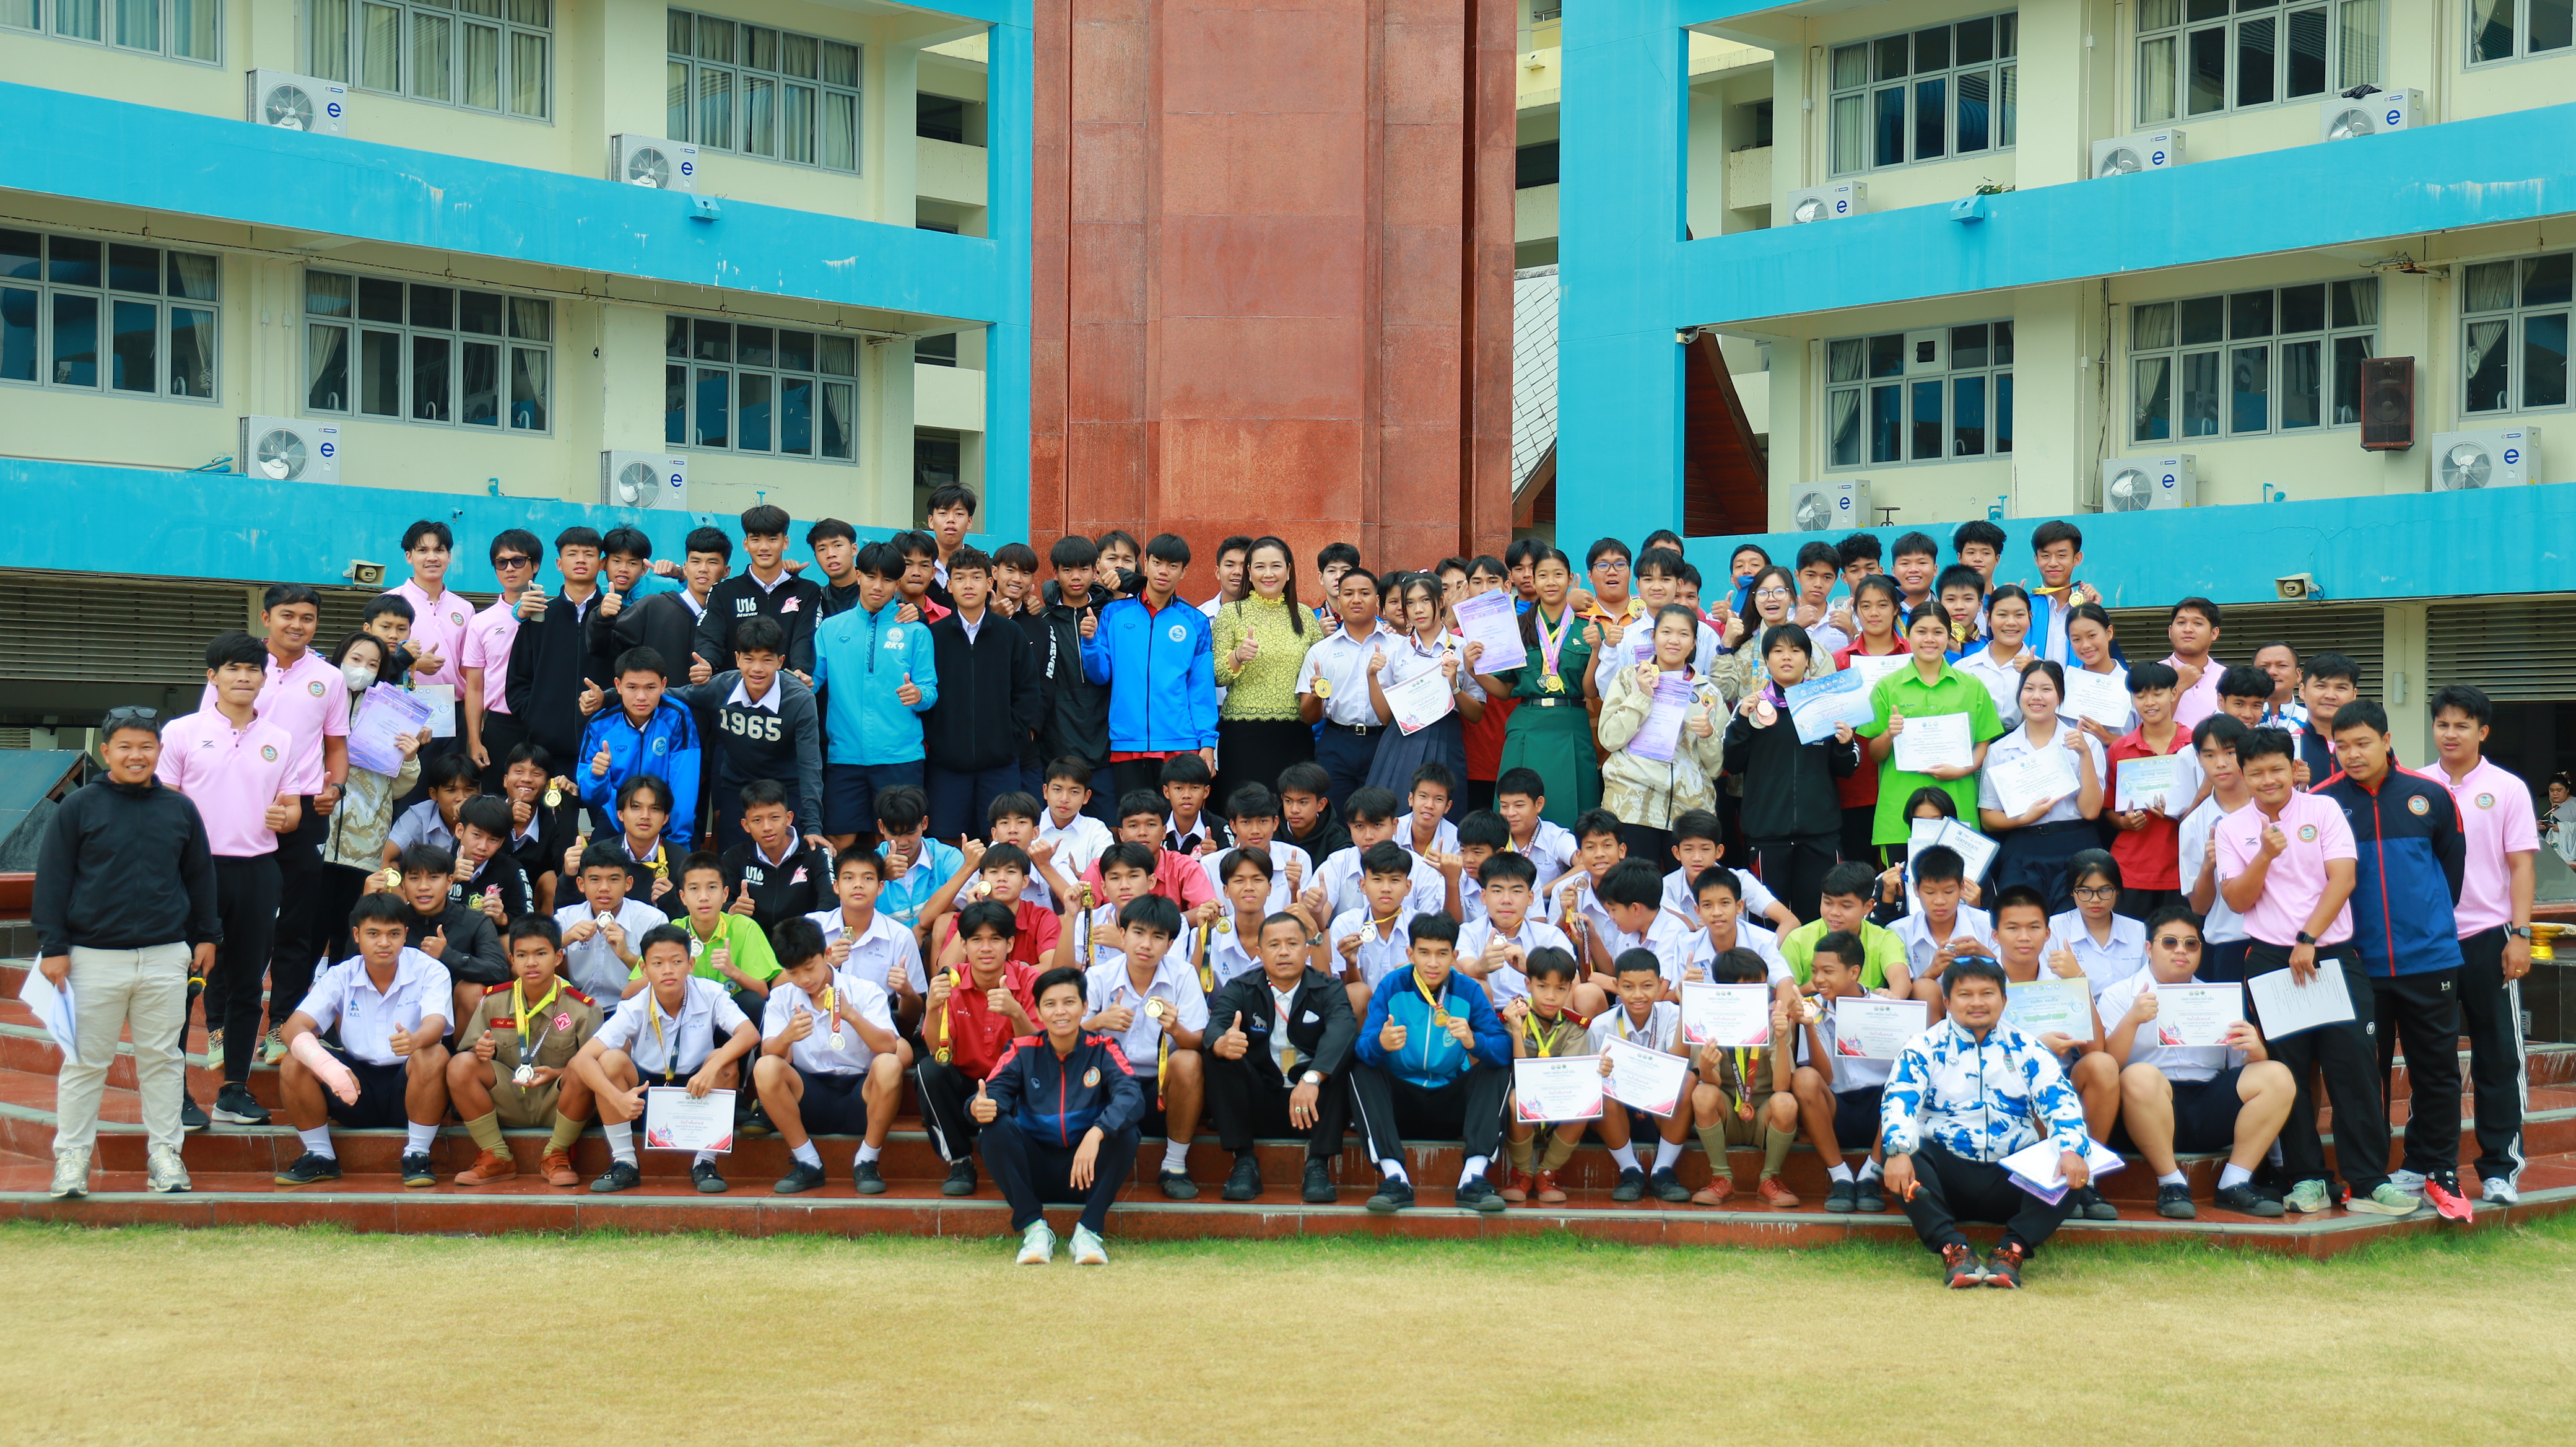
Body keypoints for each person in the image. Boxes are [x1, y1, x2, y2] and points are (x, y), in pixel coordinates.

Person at [2215, 727, 2409, 1215]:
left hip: (2330, 954)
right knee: (2290, 1073)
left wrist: (2309, 939)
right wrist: (2265, 854)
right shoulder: (2232, 827)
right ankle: (2306, 1179)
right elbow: (2237, 899)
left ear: (2293, 768)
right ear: (2243, 775)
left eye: (2276, 769)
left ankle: (2368, 1181)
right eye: (2256, 773)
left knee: (2355, 1067)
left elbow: (2343, 878)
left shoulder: (2322, 810)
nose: (2268, 780)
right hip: (2270, 961)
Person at [35, 707, 217, 1197]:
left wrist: (207, 936)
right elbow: (53, 880)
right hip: (91, 957)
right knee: (84, 1063)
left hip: (165, 955)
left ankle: (166, 1156)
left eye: (146, 747)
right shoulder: (79, 807)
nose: (137, 756)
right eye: (125, 747)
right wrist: (54, 946)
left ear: (160, 751)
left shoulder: (180, 809)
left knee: (164, 1061)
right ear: (106, 752)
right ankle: (72, 1160)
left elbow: (200, 876)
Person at [2316, 699, 2471, 1218]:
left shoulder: (2432, 795)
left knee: (2436, 1070)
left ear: (2386, 740)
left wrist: (2424, 921)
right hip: (2356, 963)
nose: (2353, 754)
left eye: (2363, 743)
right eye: (2342, 746)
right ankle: (2369, 1176)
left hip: (2429, 959)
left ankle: (2437, 1167)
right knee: (2363, 1077)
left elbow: (2451, 872)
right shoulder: (2322, 803)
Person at [1881, 955, 2090, 1288]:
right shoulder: (1923, 1046)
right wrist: (1898, 1150)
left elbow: (2059, 1101)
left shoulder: (2029, 1048)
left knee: (2073, 1159)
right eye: (1965, 995)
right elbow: (1899, 1100)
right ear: (1947, 1002)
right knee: (1898, 1152)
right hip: (1944, 1183)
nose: (1977, 1003)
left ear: (2004, 1000)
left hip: (2010, 1179)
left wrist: (2071, 1149)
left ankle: (2012, 1251)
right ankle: (1953, 1248)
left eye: (1987, 993)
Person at [159, 632, 298, 1126]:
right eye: (233, 669)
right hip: (195, 873)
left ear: (265, 677)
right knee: (182, 985)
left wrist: (287, 817)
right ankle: (173, 1095)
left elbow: (292, 807)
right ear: (212, 676)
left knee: (246, 986)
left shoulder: (280, 739)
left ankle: (234, 1090)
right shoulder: (181, 732)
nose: (244, 677)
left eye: (253, 669)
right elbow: (164, 804)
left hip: (258, 871)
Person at [2102, 906, 2292, 1220]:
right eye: (2170, 942)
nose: (2181, 950)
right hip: (2149, 1107)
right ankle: (2171, 1184)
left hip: (2208, 1101)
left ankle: (2235, 1183)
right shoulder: (2120, 995)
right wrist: (2132, 1020)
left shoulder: (2218, 997)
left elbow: (2241, 1067)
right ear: (2149, 948)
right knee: (2139, 1075)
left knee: (2277, 1075)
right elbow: (2108, 1065)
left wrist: (2256, 1049)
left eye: (2191, 944)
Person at [2427, 684, 2540, 1205]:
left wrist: (2521, 934)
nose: (2451, 734)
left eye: (2462, 725)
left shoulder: (2507, 788)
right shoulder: (2417, 785)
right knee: (2433, 1060)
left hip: (2490, 937)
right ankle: (2428, 1164)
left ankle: (2500, 1168)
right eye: (2443, 724)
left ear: (2483, 731)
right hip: (2431, 940)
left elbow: (2521, 866)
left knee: (2498, 1057)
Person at [273, 893, 453, 1188]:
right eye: (373, 934)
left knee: (434, 1053)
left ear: (405, 934)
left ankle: (417, 1154)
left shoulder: (431, 969)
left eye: (394, 934)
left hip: (409, 1087)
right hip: (352, 1086)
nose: (384, 943)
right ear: (357, 935)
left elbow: (436, 1023)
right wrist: (328, 1066)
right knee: (296, 1060)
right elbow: (292, 1028)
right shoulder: (341, 974)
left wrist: (416, 1039)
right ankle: (320, 1156)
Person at [972, 964, 1145, 1267]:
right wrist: (978, 1107)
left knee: (1126, 1131)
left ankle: (1088, 1231)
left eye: (1069, 1002)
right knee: (994, 1126)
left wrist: (1097, 1132)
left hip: (1086, 1171)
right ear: (1038, 1012)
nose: (1060, 1012)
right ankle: (1034, 1229)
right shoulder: (1022, 1049)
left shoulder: (1104, 1048)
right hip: (1036, 1171)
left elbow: (1132, 1096)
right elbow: (993, 1093)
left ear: (1085, 1007)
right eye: (1050, 1004)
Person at [572, 922, 759, 1194]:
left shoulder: (710, 993)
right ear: (644, 969)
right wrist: (617, 1098)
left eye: (677, 961)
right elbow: (582, 1060)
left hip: (697, 1090)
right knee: (610, 1060)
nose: (668, 970)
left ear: (691, 964)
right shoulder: (635, 1006)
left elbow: (749, 1033)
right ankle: (624, 1161)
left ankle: (705, 1162)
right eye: (658, 963)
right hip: (645, 1094)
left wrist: (712, 1067)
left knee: (725, 1061)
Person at [1351, 912, 1512, 1213]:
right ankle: (1395, 1178)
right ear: (1410, 954)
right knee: (1359, 1066)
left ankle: (1473, 1177)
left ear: (1455, 957)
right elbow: (1363, 1047)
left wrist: (1475, 1042)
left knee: (1498, 1067)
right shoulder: (1392, 986)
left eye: (1442, 954)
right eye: (1424, 953)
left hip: (1450, 1104)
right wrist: (1380, 1043)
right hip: (1399, 1106)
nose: (1433, 963)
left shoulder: (1468, 990)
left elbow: (1503, 1047)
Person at [314, 631, 427, 1025]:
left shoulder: (390, 711)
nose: (363, 670)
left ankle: (341, 1026)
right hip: (317, 840)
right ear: (339, 659)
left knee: (348, 937)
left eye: (373, 664)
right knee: (307, 934)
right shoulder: (317, 703)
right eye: (356, 659)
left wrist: (409, 757)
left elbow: (399, 786)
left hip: (364, 847)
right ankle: (288, 1022)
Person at [1205, 907, 1355, 1203]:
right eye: (1274, 945)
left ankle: (1318, 1164)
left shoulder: (1329, 988)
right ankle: (1244, 1161)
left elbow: (1344, 1030)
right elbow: (1215, 1027)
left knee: (1346, 1056)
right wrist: (1222, 1043)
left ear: (1308, 949)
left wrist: (1313, 1078)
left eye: (1292, 943)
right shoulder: (1241, 987)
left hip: (1313, 1102)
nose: (1284, 952)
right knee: (1218, 1057)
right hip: (1261, 1096)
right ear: (1260, 953)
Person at [446, 917, 601, 1188]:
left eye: (541, 954)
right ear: (511, 960)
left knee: (583, 1069)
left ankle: (557, 1153)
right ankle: (496, 1154)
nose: (531, 963)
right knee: (460, 1064)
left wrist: (558, 1072)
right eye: (522, 955)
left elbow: (599, 1069)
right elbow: (471, 1051)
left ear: (558, 957)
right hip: (509, 1099)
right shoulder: (492, 1001)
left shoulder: (584, 1009)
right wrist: (479, 1050)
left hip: (560, 1102)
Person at [754, 917, 904, 1195]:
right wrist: (787, 1036)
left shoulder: (865, 991)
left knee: (889, 1064)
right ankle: (808, 1162)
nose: (804, 980)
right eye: (793, 972)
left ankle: (867, 1161)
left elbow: (889, 1046)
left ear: (826, 954)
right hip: (810, 1095)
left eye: (809, 967)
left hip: (861, 1095)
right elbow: (768, 1052)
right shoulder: (782, 997)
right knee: (765, 1067)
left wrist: (850, 1014)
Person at [1721, 622, 1858, 922]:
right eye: (1778, 651)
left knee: (1821, 920)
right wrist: (1742, 722)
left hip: (1820, 834)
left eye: (1796, 651)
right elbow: (1732, 763)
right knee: (1768, 924)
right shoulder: (1753, 707)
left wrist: (1845, 743)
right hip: (1766, 834)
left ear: (1808, 661)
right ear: (1767, 660)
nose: (1787, 657)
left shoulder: (1826, 707)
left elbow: (1847, 769)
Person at [812, 539, 941, 852]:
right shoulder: (831, 628)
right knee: (839, 840)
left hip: (901, 757)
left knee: (900, 841)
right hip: (844, 756)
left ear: (897, 584)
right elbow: (812, 682)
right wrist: (796, 681)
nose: (878, 586)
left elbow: (930, 690)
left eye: (887, 579)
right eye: (871, 577)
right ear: (858, 576)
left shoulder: (916, 631)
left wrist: (919, 695)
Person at [1079, 893, 1208, 1199]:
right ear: (1122, 935)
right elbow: (1064, 1039)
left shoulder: (1183, 975)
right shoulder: (1098, 976)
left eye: (1158, 937)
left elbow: (1199, 1041)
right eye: (1138, 933)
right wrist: (1098, 1022)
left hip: (1161, 1088)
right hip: (1109, 1085)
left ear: (1170, 944)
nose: (1146, 944)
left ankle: (1174, 1166)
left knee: (1188, 1061)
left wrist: (1176, 1029)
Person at [1079, 532, 1219, 802]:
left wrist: (1208, 743)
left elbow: (1200, 689)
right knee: (1134, 822)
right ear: (1146, 564)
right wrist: (1089, 643)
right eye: (1157, 563)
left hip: (1181, 743)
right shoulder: (1114, 613)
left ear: (1184, 572)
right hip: (1127, 742)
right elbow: (1101, 675)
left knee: (1175, 822)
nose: (1163, 571)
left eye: (1173, 566)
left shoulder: (1195, 621)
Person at [918, 545, 1043, 842]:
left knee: (1003, 842)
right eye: (959, 578)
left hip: (1000, 763)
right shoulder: (934, 636)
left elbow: (1028, 691)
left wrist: (1013, 737)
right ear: (949, 585)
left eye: (976, 577)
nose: (968, 585)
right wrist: (938, 738)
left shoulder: (1010, 634)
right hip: (947, 764)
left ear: (989, 583)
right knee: (947, 841)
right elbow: (926, 692)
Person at [915, 900, 1042, 1196]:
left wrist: (1016, 1013)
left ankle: (1023, 1156)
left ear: (1010, 944)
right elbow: (937, 1051)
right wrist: (932, 1007)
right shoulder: (950, 981)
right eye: (976, 940)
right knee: (929, 1070)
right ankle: (960, 1161)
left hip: (1012, 1083)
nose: (986, 948)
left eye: (995, 939)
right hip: (965, 1081)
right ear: (963, 944)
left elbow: (1041, 1052)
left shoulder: (1030, 981)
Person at [669, 616, 824, 857]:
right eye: (749, 659)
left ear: (781, 661)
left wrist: (813, 826)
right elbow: (666, 695)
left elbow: (810, 765)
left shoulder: (800, 699)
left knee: (791, 860)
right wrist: (611, 697)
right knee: (733, 858)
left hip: (786, 788)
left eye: (767, 660)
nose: (757, 669)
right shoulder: (722, 686)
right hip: (738, 787)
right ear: (738, 659)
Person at [1857, 601, 2004, 850]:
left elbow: (1983, 744)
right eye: (1921, 631)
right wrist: (1889, 734)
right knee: (1901, 877)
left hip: (1958, 811)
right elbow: (1874, 754)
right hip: (1900, 814)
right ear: (1908, 635)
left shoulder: (1972, 686)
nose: (1929, 639)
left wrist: (1961, 770)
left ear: (1949, 636)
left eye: (1938, 632)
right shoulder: (1887, 687)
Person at [1474, 547, 1599, 827]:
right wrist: (1474, 671)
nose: (1551, 582)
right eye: (1543, 575)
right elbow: (1505, 690)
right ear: (1533, 580)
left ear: (1571, 579)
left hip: (1571, 725)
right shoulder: (1517, 628)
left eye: (1558, 575)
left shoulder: (1589, 629)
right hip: (1527, 726)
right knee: (1516, 811)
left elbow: (1591, 691)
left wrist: (1596, 650)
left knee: (1575, 810)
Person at [1599, 604, 1725, 870]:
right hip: (1632, 804)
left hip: (1688, 811)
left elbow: (1715, 769)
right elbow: (1609, 739)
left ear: (1694, 642)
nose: (1674, 640)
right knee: (1635, 887)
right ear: (1654, 636)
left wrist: (1707, 737)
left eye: (1683, 634)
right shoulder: (1628, 678)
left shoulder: (1708, 692)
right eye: (1666, 632)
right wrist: (1641, 696)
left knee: (1687, 890)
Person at [1975, 659, 2105, 916]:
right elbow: (1989, 818)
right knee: (2021, 921)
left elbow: (2091, 811)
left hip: (2076, 844)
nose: (2037, 697)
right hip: (2023, 846)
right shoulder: (2000, 750)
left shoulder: (2086, 743)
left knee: (2074, 924)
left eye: (2046, 689)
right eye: (2029, 688)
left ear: (2060, 697)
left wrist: (2084, 754)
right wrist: (2026, 817)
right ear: (2019, 694)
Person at [1678, 947, 1804, 1206]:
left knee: (1786, 1102)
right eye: (1747, 987)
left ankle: (1770, 1179)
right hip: (1727, 1113)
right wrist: (1705, 1067)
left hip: (1763, 1114)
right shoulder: (1707, 1019)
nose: (1757, 993)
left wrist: (1782, 1039)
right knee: (1702, 1093)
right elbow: (1710, 1082)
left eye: (1761, 986)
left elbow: (1782, 1086)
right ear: (1725, 990)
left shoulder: (1773, 1021)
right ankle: (1721, 1178)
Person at [1497, 948, 1620, 1204]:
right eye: (1542, 986)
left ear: (1570, 990)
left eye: (1561, 989)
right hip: (1523, 1111)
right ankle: (1522, 1173)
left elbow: (1574, 1077)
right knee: (1517, 1098)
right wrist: (1518, 1033)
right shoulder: (1513, 1020)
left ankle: (1548, 1172)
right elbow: (1521, 1077)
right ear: (1528, 984)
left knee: (1587, 1099)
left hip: (1559, 1106)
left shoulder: (1575, 1027)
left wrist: (1598, 1068)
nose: (1551, 996)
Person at [1211, 535, 1320, 814]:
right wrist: (1237, 656)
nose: (1268, 574)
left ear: (1289, 570)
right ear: (1249, 572)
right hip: (1243, 736)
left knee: (1291, 816)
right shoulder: (1231, 613)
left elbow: (1323, 667)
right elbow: (1217, 675)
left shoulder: (1305, 616)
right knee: (1245, 814)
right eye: (1260, 567)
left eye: (1276, 566)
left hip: (1294, 735)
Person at [1788, 929, 1894, 1212]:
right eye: (1814, 971)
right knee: (1804, 1078)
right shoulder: (1812, 1010)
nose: (1819, 979)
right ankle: (1841, 1177)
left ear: (1854, 972)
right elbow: (1824, 1078)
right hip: (1837, 1108)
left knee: (1906, 1078)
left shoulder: (1887, 1010)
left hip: (1882, 1111)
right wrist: (1809, 1027)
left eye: (1828, 971)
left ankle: (1871, 1175)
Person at [1363, 572, 1486, 807]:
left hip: (1446, 738)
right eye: (1410, 603)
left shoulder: (1463, 648)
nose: (1418, 610)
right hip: (1401, 740)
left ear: (1441, 601)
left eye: (1425, 600)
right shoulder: (1396, 651)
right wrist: (1372, 677)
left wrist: (1454, 686)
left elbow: (1476, 714)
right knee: (1396, 810)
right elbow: (1385, 717)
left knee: (1440, 811)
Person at [507, 527, 610, 780]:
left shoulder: (618, 616)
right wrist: (536, 716)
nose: (581, 560)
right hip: (547, 751)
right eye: (572, 554)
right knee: (554, 807)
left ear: (602, 564)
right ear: (559, 563)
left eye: (589, 554)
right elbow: (518, 680)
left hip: (606, 747)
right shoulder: (539, 617)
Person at [577, 646, 703, 849]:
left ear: (663, 685)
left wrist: (678, 844)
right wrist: (597, 776)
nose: (641, 697)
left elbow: (684, 786)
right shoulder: (600, 724)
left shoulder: (676, 717)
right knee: (596, 864)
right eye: (632, 687)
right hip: (616, 820)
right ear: (618, 686)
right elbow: (591, 797)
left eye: (650, 687)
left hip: (664, 823)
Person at [2104, 660, 2203, 920]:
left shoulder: (2196, 745)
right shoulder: (2120, 750)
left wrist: (2180, 814)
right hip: (2133, 869)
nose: (2149, 702)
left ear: (2174, 693)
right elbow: (2108, 811)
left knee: (2179, 940)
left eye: (2158, 694)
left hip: (2184, 868)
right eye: (2140, 696)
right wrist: (2124, 822)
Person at [1296, 566, 1396, 811]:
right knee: (1335, 818)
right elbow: (1309, 718)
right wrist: (1316, 696)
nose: (1356, 600)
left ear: (1377, 601)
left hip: (1385, 742)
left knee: (1381, 816)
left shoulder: (1398, 646)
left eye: (1365, 593)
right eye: (1349, 594)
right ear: (1338, 601)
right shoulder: (1321, 651)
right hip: (1337, 743)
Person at [806, 847, 929, 1033]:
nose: (858, 885)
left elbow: (912, 1018)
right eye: (849, 878)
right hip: (814, 1026)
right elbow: (782, 984)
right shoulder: (813, 926)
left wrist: (907, 991)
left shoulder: (900, 936)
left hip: (872, 1030)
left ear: (880, 887)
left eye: (868, 878)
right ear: (836, 886)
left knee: (901, 1049)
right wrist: (823, 965)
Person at [695, 504, 825, 678]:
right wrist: (707, 664)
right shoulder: (723, 592)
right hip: (735, 692)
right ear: (746, 544)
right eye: (756, 539)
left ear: (785, 542)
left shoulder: (808, 591)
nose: (764, 547)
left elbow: (805, 638)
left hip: (787, 689)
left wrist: (800, 671)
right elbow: (711, 637)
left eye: (772, 539)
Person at [599, 526, 729, 700]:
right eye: (696, 561)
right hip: (655, 710)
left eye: (712, 562)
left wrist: (679, 575)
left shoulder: (732, 613)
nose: (703, 569)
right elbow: (606, 648)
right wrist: (599, 617)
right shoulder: (652, 606)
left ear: (726, 571)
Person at [463, 528, 543, 790]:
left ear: (535, 565)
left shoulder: (554, 616)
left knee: (547, 803)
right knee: (495, 802)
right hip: (500, 725)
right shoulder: (481, 622)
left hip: (544, 724)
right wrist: (475, 741)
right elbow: (475, 687)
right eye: (501, 562)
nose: (509, 568)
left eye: (518, 560)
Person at [2180, 715, 2258, 982]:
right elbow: (2199, 908)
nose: (2220, 763)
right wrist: (2208, 866)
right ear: (2199, 759)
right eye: (2209, 755)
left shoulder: (2273, 808)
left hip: (2283, 940)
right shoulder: (2193, 825)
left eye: (2230, 752)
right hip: (2228, 943)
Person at [666, 850, 782, 1021]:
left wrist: (732, 971)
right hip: (686, 1015)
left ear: (725, 894)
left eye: (712, 887)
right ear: (683, 897)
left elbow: (762, 993)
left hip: (732, 1018)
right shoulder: (673, 933)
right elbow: (636, 988)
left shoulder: (744, 927)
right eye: (694, 889)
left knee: (751, 1001)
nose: (704, 897)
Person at [555, 841, 668, 1005]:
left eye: (614, 879)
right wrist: (564, 940)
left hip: (634, 1007)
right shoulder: (565, 918)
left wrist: (626, 955)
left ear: (628, 884)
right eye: (595, 879)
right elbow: (536, 966)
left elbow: (665, 974)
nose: (604, 888)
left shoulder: (653, 920)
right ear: (581, 884)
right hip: (578, 1008)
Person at [718, 780, 832, 936]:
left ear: (789, 818)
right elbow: (715, 901)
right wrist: (730, 909)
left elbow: (831, 901)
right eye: (757, 820)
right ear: (746, 825)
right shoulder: (734, 857)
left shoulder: (815, 853)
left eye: (775, 817)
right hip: (752, 945)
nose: (767, 827)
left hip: (804, 943)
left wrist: (807, 936)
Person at [1778, 861, 1909, 994]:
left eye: (1846, 906)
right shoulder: (1798, 940)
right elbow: (1782, 994)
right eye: (1828, 903)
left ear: (1868, 907)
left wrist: (1893, 997)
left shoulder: (1884, 939)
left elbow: (1900, 978)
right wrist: (1812, 988)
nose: (1834, 912)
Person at [1891, 846, 1993, 1003]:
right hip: (1929, 1014)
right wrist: (1932, 972)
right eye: (1930, 892)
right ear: (1916, 889)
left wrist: (1985, 955)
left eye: (1948, 892)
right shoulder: (1899, 932)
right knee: (1925, 988)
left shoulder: (1988, 924)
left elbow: (2012, 982)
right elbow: (1903, 997)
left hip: (1980, 1007)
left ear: (1962, 888)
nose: (1939, 901)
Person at [2048, 850, 2147, 1000]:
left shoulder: (2140, 931)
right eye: (2085, 891)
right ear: (2072, 891)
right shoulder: (2052, 930)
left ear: (2118, 889)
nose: (2095, 899)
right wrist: (2077, 979)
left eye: (2104, 890)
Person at [1953, 585, 2034, 729]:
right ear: (1988, 618)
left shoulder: (2041, 670)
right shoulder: (1963, 668)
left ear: (2030, 618)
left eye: (2019, 615)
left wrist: (2034, 677)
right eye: (2002, 615)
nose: (2011, 622)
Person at [2024, 519, 2101, 667]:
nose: (2053, 563)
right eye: (2046, 556)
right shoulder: (2024, 608)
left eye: (2061, 555)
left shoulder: (2087, 607)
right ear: (2036, 560)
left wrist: (2095, 613)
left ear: (2077, 559)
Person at [1278, 759, 1352, 864]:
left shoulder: (1337, 839)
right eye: (1288, 801)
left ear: (1321, 805)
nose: (1294, 810)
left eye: (1303, 802)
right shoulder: (1270, 832)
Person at [1159, 751, 1227, 856]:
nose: (1187, 795)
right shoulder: (1155, 824)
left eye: (1195, 788)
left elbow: (1235, 863)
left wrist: (1217, 857)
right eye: (1179, 788)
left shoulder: (1220, 828)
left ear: (1206, 792)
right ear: (1166, 792)